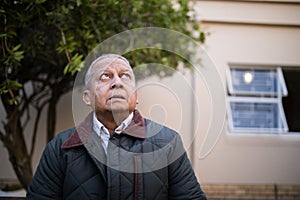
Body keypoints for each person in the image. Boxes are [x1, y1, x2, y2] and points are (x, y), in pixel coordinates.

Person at [26, 54, 207, 200]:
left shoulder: (169, 142)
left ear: (136, 97)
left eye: (125, 76)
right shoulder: (60, 147)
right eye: (105, 76)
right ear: (87, 97)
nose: (117, 83)